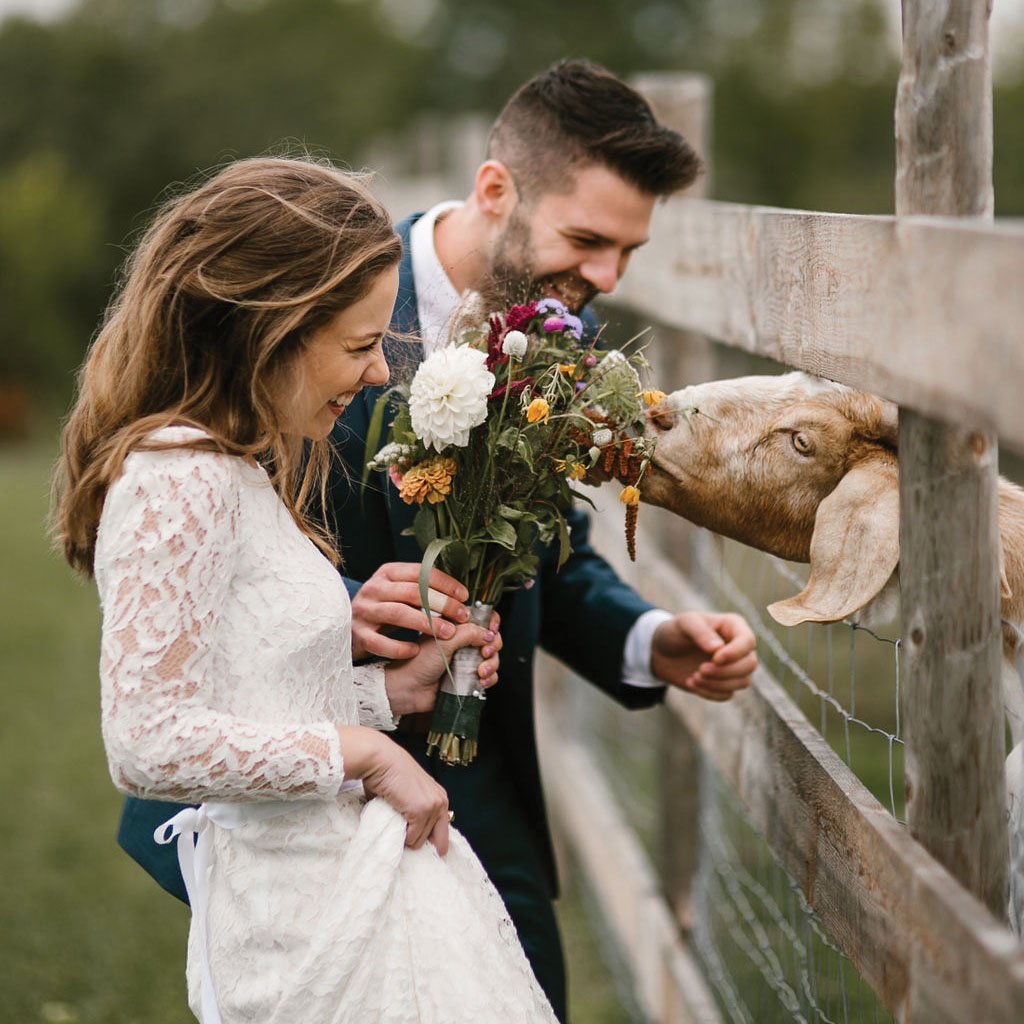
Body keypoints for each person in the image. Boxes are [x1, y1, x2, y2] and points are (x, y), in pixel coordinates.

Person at [118, 59, 759, 1020]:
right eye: (586, 240)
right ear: (495, 189)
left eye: (627, 254)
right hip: (285, 788)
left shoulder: (562, 342)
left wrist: (648, 637)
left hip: (475, 765)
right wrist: (345, 615)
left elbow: (556, 553)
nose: (605, 279)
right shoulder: (307, 303)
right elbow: (208, 563)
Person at [53, 157, 562, 1023]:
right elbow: (145, 742)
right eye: (361, 346)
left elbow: (254, 692)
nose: (375, 377)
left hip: (344, 870)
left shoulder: (237, 469)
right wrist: (365, 753)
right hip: (296, 915)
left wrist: (391, 692)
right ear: (266, 328)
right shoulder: (179, 480)